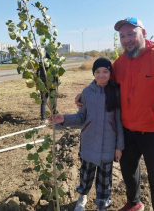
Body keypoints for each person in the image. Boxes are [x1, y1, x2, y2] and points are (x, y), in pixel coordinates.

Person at [76, 17, 154, 211]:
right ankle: (134, 203)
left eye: (131, 34)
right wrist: (86, 92)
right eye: (122, 36)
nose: (127, 39)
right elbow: (102, 79)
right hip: (126, 129)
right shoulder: (120, 63)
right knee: (128, 170)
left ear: (143, 32)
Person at [50, 57, 124, 211]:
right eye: (97, 71)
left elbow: (118, 122)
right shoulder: (87, 92)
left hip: (108, 145)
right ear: (93, 73)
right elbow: (81, 117)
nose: (101, 75)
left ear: (110, 73)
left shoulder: (116, 93)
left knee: (105, 179)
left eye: (105, 71)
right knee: (86, 174)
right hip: (89, 142)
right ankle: (82, 196)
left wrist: (119, 147)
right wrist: (64, 118)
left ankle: (102, 204)